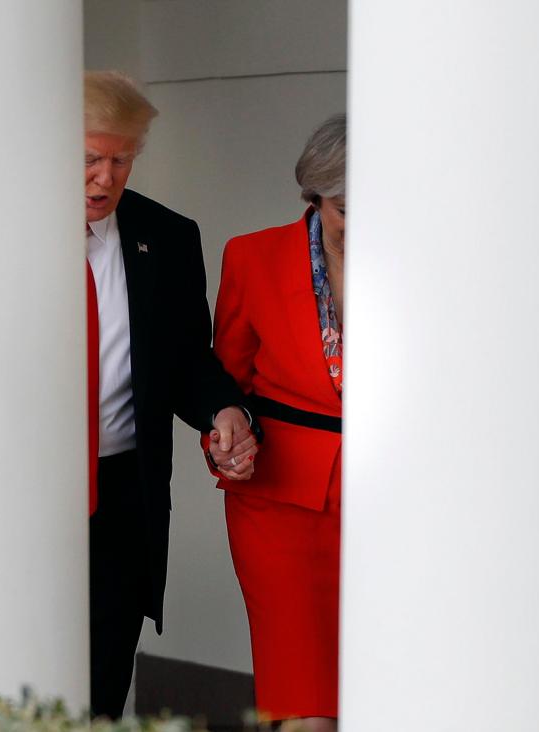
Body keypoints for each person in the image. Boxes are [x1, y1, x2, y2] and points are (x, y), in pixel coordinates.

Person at [83, 70, 259, 719]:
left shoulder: (168, 237)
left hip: (123, 498)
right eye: (88, 159)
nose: (104, 178)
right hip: (20, 498)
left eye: (119, 161)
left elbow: (186, 360)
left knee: (101, 691)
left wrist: (226, 410)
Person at [206, 114, 346, 732]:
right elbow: (224, 385)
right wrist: (225, 439)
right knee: (304, 701)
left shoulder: (427, 259)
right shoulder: (253, 256)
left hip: (400, 504)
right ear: (313, 197)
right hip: (282, 504)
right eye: (345, 206)